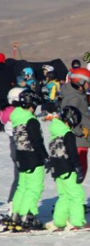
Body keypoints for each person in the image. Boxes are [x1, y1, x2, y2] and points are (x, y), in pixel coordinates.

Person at [4, 88, 48, 232]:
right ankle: (27, 215)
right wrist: (45, 157)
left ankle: (15, 214)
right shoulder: (30, 120)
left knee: (22, 187)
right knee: (34, 188)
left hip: (21, 157)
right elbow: (36, 141)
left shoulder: (17, 118)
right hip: (33, 158)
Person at [47, 107, 90, 231]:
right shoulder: (68, 134)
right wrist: (78, 167)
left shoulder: (55, 131)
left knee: (64, 195)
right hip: (67, 168)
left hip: (57, 169)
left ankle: (59, 222)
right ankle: (77, 222)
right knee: (76, 195)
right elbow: (72, 153)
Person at [61, 67, 90, 179]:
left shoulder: (79, 95)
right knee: (79, 173)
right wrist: (80, 131)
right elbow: (69, 119)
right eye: (89, 82)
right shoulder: (75, 98)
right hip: (78, 141)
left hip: (82, 140)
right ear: (80, 82)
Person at [0, 99, 18, 208]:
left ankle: (12, 201)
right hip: (18, 146)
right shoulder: (13, 111)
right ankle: (12, 201)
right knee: (20, 178)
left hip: (15, 145)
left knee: (19, 177)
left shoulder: (7, 111)